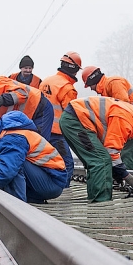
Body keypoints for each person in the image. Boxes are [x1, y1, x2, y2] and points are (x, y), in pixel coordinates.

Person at [60, 97, 133, 202]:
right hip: (76, 120)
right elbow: (111, 152)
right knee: (101, 161)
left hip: (76, 119)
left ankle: (96, 198)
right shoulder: (127, 121)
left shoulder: (131, 118)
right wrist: (127, 177)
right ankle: (101, 204)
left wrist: (119, 174)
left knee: (97, 159)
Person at [0, 105, 66, 203]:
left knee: (12, 166)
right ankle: (29, 198)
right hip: (45, 179)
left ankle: (17, 205)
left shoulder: (10, 138)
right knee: (10, 165)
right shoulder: (3, 135)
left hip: (52, 182)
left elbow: (6, 172)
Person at [80, 66, 133, 170]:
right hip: (132, 122)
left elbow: (123, 108)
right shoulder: (107, 89)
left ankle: (126, 180)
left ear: (93, 80)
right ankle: (122, 179)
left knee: (128, 155)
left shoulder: (114, 82)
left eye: (90, 85)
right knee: (121, 153)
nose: (91, 88)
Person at [40, 51, 83, 186]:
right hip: (56, 133)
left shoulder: (47, 81)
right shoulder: (67, 88)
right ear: (74, 69)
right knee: (67, 163)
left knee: (46, 161)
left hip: (40, 129)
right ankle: (62, 190)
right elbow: (71, 114)